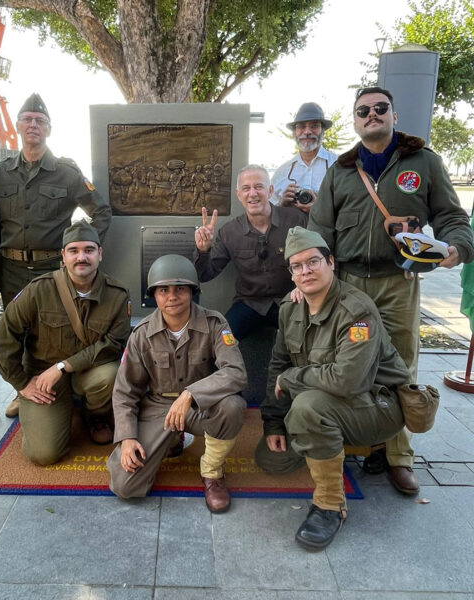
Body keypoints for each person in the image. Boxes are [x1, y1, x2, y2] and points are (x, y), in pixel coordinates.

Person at [309, 86, 474, 494]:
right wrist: (313, 280)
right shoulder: (342, 171)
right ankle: (354, 442)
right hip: (347, 285)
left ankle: (399, 455)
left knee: (401, 368)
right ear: (355, 120)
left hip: (398, 283)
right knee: (346, 364)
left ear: (394, 116)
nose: (371, 115)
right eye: (363, 110)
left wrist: (456, 247)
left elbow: (453, 216)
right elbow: (319, 231)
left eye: (380, 108)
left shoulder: (423, 162)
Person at [255, 227, 410, 550]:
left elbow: (347, 381)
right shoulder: (290, 308)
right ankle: (320, 442)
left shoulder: (357, 311)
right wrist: (273, 422)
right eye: (297, 266)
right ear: (292, 274)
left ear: (331, 262)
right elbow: (278, 366)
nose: (306, 271)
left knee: (308, 407)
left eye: (313, 262)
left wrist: (292, 381)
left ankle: (330, 505)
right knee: (271, 461)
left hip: (377, 408)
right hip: (333, 404)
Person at [0, 93, 112, 418]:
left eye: (39, 121)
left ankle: (60, 388)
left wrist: (82, 249)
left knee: (51, 329)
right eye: (27, 119)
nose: (33, 125)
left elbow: (100, 210)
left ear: (49, 128)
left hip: (51, 266)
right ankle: (21, 388)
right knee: (17, 329)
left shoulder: (67, 173)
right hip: (13, 266)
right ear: (17, 125)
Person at [107, 255, 246, 513]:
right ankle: (171, 439)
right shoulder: (141, 334)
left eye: (180, 288)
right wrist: (127, 437)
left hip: (198, 407)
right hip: (158, 406)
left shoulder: (215, 324)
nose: (172, 296)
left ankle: (212, 472)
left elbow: (236, 372)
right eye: (163, 290)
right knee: (126, 486)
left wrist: (190, 395)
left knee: (232, 406)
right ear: (154, 295)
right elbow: (125, 391)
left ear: (193, 291)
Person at [0, 221, 130, 463]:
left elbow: (113, 345)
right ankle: (53, 410)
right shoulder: (38, 290)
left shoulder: (117, 295)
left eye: (89, 250)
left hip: (87, 372)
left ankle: (94, 414)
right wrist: (21, 383)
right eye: (74, 251)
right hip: (43, 379)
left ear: (100, 254)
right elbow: (4, 338)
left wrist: (63, 366)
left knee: (111, 374)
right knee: (43, 455)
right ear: (63, 255)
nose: (82, 257)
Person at [194, 164, 307, 340]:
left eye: (259, 187)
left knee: (309, 338)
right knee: (224, 339)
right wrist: (204, 250)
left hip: (291, 300)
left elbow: (317, 259)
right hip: (249, 303)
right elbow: (205, 274)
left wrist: (303, 287)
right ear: (239, 195)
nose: (252, 194)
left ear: (270, 191)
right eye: (246, 188)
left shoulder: (296, 220)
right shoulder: (230, 232)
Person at [270, 102, 337, 211]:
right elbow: (269, 212)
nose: (307, 132)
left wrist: (320, 207)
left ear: (323, 131)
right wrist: (282, 203)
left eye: (314, 126)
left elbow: (349, 207)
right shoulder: (282, 172)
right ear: (294, 133)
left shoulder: (338, 166)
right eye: (301, 126)